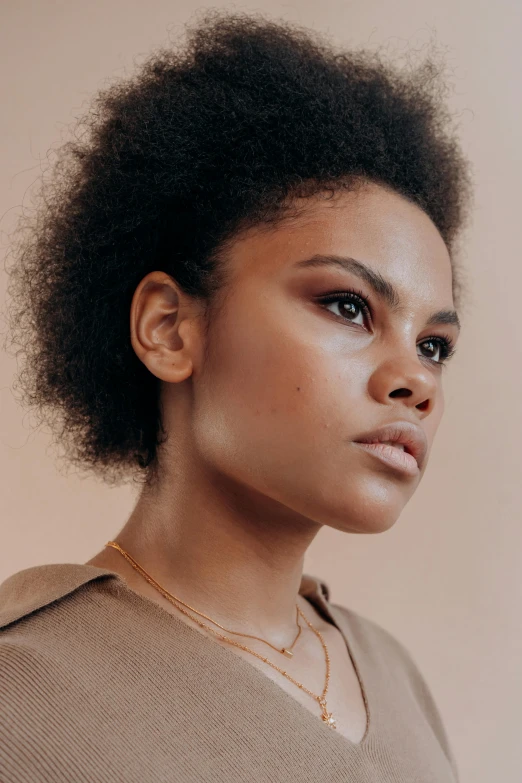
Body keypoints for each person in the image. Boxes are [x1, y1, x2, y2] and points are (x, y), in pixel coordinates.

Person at [0, 9, 473, 782]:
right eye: (349, 305)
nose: (415, 379)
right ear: (170, 329)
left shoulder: (392, 673)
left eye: (435, 345)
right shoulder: (22, 698)